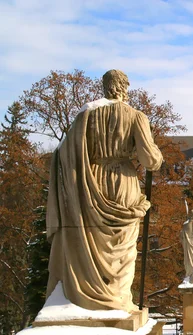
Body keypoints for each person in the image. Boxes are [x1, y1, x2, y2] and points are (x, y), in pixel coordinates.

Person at [45, 69, 163, 312]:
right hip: (123, 180)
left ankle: (89, 293)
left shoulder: (86, 115)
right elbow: (150, 160)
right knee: (124, 246)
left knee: (90, 239)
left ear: (105, 87)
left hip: (91, 182)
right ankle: (118, 298)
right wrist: (157, 156)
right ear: (124, 88)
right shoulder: (135, 116)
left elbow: (62, 154)